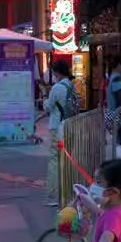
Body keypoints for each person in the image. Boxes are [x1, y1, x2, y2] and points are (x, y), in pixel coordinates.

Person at [43, 59, 75, 206]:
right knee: (67, 159)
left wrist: (44, 99)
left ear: (56, 72)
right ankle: (68, 192)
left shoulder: (56, 88)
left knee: (54, 160)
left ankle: (53, 195)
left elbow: (48, 107)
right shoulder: (71, 85)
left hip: (57, 127)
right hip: (69, 126)